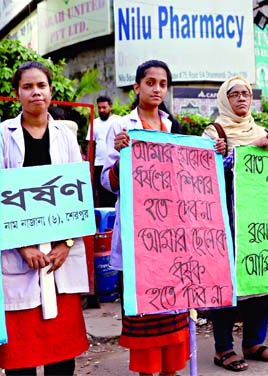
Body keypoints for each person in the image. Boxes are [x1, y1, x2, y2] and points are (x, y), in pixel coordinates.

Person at [0, 61, 89, 375]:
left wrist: (65, 244)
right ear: (17, 93)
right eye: (28, 87)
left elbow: (77, 193)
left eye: (41, 86)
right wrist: (22, 247)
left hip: (58, 257)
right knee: (20, 356)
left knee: (61, 356)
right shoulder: (1, 135)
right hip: (18, 255)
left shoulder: (66, 135)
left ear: (50, 91)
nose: (36, 92)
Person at [101, 60, 191, 376]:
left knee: (173, 310)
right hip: (140, 237)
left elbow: (190, 178)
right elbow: (107, 183)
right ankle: (146, 372)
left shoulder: (174, 128)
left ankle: (171, 371)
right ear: (137, 87)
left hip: (172, 237)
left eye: (162, 83)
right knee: (144, 317)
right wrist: (120, 159)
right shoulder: (121, 127)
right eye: (150, 82)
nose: (156, 89)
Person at [203, 76, 268, 372]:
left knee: (260, 277)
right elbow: (205, 170)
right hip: (226, 218)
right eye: (234, 94)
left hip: (258, 217)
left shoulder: (261, 130)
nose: (241, 99)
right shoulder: (214, 131)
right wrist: (249, 148)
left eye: (246, 94)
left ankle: (253, 341)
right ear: (225, 99)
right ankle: (223, 348)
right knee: (226, 283)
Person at [87, 95, 120, 207]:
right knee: (101, 195)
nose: (101, 110)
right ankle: (104, 223)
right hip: (99, 164)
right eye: (99, 107)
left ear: (110, 107)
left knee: (115, 194)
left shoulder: (118, 121)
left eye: (104, 107)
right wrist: (89, 164)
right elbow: (90, 144)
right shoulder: (94, 123)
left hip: (114, 164)